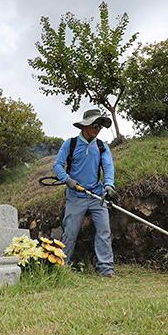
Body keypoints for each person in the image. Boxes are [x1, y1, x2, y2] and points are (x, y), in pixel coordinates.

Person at [53, 109, 116, 277]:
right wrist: (67, 180)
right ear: (85, 125)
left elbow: (108, 167)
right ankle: (62, 268)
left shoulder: (101, 146)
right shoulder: (70, 144)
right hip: (75, 197)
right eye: (95, 125)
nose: (98, 129)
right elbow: (57, 165)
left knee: (104, 232)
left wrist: (109, 186)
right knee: (70, 233)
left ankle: (106, 269)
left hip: (97, 196)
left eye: (100, 126)